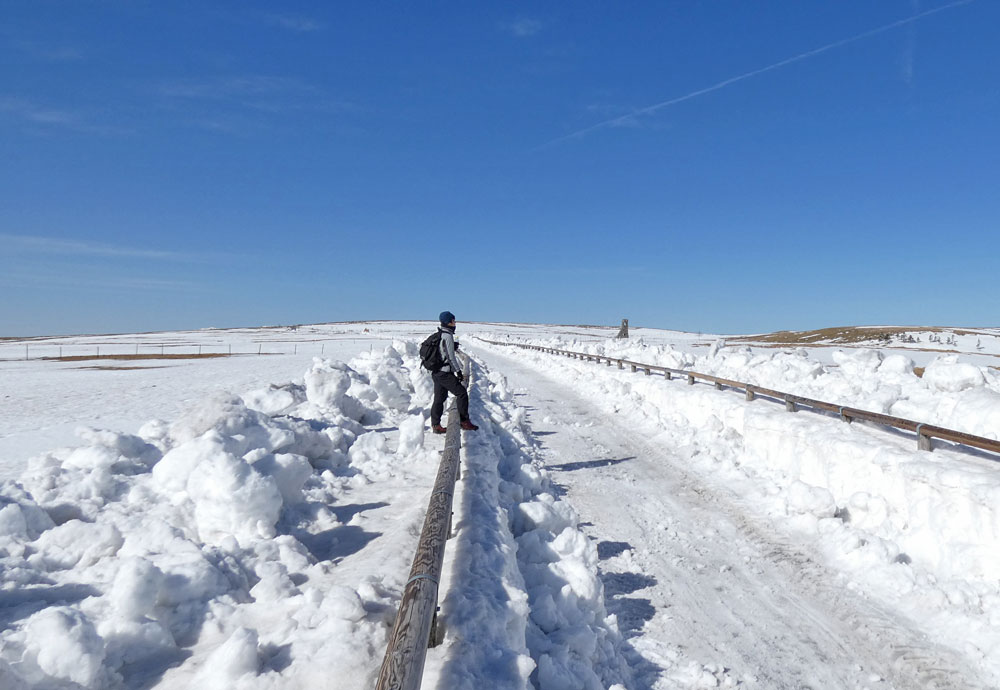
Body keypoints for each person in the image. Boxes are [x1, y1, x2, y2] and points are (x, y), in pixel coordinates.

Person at [431, 311, 479, 433]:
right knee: (462, 393)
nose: (455, 323)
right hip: (444, 373)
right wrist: (458, 371)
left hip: (436, 372)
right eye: (453, 320)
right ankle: (464, 421)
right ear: (449, 322)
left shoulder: (440, 334)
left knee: (439, 398)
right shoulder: (447, 336)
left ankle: (436, 425)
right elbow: (451, 357)